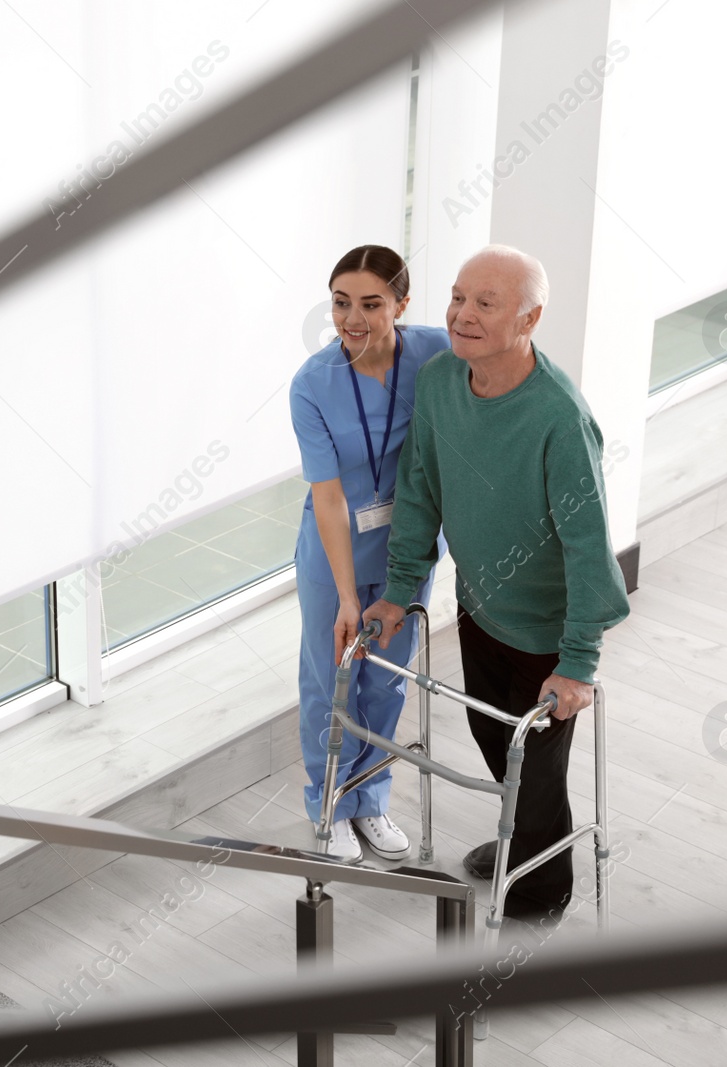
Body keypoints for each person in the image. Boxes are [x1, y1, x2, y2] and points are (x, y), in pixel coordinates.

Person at [362, 244, 630, 920]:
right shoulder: (439, 383)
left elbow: (589, 545)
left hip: (548, 631)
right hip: (480, 608)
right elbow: (419, 488)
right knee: (494, 745)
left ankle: (541, 886)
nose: (462, 314)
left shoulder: (559, 418)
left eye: (486, 303)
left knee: (535, 774)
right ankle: (526, 838)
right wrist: (399, 588)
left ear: (529, 317)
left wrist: (579, 663)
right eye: (457, 297)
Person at [289, 244, 448, 864]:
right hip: (336, 552)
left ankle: (370, 797)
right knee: (330, 679)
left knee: (388, 677)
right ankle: (328, 800)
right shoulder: (313, 385)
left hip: (409, 548)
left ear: (402, 305)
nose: (352, 319)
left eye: (371, 304)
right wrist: (350, 596)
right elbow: (328, 498)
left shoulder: (432, 351)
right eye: (340, 302)